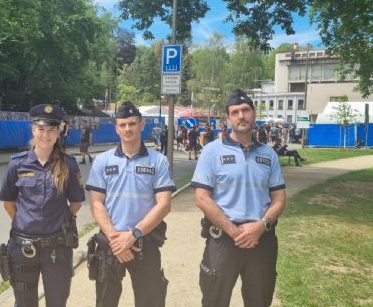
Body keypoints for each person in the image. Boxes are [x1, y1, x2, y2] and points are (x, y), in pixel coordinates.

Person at [192, 89, 286, 307]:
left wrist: (260, 227)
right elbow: (202, 198)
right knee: (214, 300)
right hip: (223, 240)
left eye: (245, 110)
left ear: (253, 114)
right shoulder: (211, 151)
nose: (241, 116)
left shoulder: (268, 154)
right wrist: (235, 232)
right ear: (228, 118)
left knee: (259, 300)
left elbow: (279, 198)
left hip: (261, 240)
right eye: (235, 112)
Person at [85, 101, 176, 307]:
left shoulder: (158, 161)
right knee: (105, 301)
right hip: (111, 244)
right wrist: (116, 240)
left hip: (145, 243)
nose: (128, 129)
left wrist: (133, 235)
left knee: (150, 301)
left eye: (132, 124)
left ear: (141, 125)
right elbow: (96, 204)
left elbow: (164, 205)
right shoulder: (103, 161)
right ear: (117, 128)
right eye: (123, 125)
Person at [0, 104, 85, 307]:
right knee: (24, 303)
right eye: (41, 129)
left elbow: (76, 203)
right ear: (33, 129)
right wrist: (27, 223)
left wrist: (56, 223)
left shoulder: (69, 164)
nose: (46, 135)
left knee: (57, 302)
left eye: (52, 130)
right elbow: (9, 203)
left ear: (59, 132)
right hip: (23, 248)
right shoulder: (17, 164)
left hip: (57, 248)